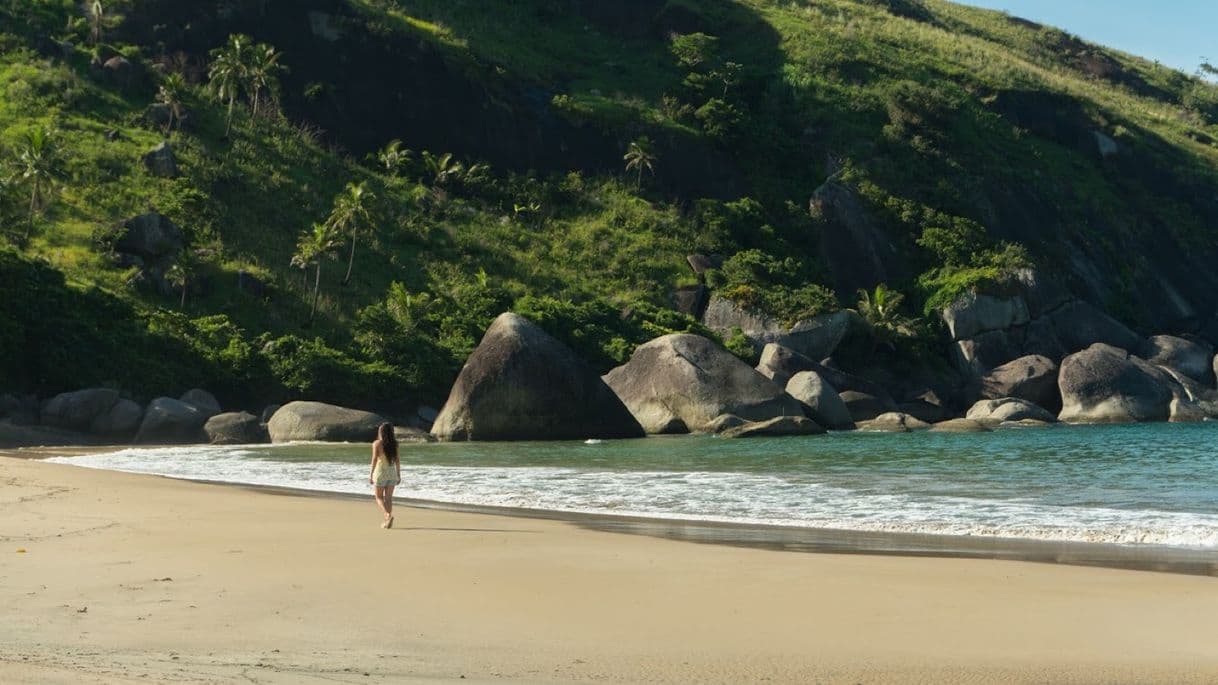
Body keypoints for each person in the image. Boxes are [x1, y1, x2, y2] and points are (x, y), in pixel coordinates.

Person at [368, 422, 401, 528]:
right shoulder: (395, 444)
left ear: (381, 432)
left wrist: (371, 474)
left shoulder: (377, 444)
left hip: (381, 473)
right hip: (392, 474)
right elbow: (397, 460)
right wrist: (399, 475)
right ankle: (387, 521)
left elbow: (374, 460)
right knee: (389, 498)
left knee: (378, 497)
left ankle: (387, 515)